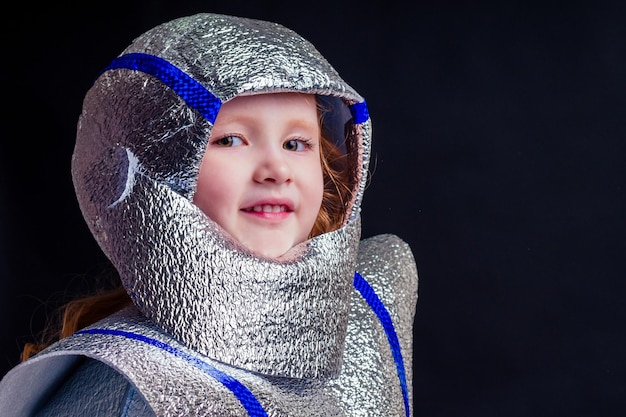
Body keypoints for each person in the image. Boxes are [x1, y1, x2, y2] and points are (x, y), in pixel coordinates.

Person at [0, 12, 418, 417]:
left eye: (296, 143)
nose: (276, 169)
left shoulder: (368, 309)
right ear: (154, 170)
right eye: (231, 139)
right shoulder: (136, 389)